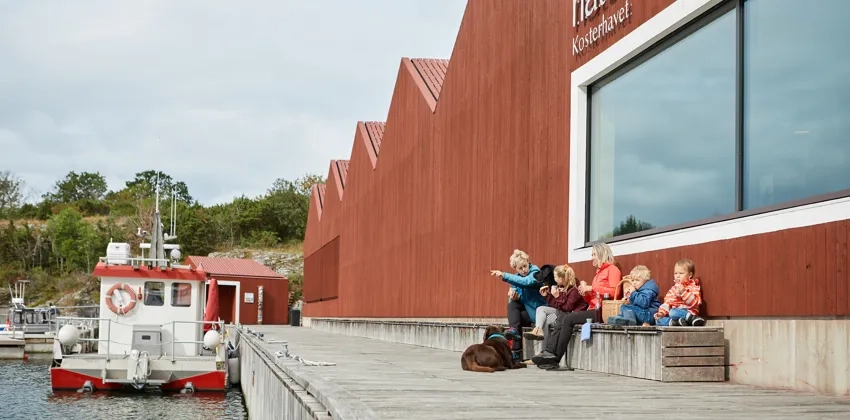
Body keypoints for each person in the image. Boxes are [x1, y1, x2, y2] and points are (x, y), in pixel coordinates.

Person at [531, 243, 622, 370]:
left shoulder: (613, 270)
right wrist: (585, 293)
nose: (592, 257)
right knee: (565, 316)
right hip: (593, 308)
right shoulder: (598, 273)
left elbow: (616, 292)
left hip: (603, 311)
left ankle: (555, 358)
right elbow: (594, 297)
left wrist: (591, 287)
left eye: (594, 254)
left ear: (602, 254)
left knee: (568, 318)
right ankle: (550, 354)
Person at [490, 249, 546, 361]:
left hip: (538, 313)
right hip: (527, 312)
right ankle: (516, 349)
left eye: (525, 266)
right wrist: (513, 297)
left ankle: (516, 348)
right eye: (520, 268)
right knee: (513, 310)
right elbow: (514, 300)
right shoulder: (516, 278)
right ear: (515, 269)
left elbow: (527, 282)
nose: (524, 270)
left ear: (528, 262)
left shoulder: (535, 272)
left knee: (516, 318)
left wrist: (504, 275)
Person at [524, 264, 587, 340]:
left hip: (569, 315)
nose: (554, 279)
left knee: (545, 321)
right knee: (542, 314)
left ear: (560, 279)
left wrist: (557, 296)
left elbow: (567, 308)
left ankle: (544, 346)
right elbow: (557, 305)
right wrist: (547, 296)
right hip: (561, 313)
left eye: (555, 277)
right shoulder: (561, 286)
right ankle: (538, 330)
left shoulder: (574, 289)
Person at [655, 259, 705, 326]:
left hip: (688, 311)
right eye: (675, 273)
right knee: (658, 321)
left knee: (672, 312)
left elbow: (695, 303)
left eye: (681, 273)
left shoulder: (693, 286)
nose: (677, 276)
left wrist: (684, 293)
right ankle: (677, 322)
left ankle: (691, 318)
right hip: (675, 314)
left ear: (690, 275)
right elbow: (667, 303)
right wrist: (661, 313)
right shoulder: (673, 289)